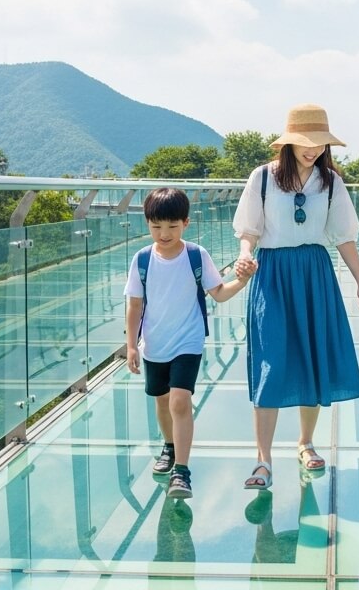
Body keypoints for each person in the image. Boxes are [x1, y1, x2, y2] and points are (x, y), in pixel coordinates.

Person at [232, 103, 359, 489]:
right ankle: (263, 460)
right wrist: (245, 255)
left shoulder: (331, 183)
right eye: (306, 143)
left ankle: (306, 443)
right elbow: (249, 230)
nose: (313, 150)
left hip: (314, 272)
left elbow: (344, 237)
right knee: (270, 362)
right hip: (272, 273)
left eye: (320, 144)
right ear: (290, 142)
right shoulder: (262, 178)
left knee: (312, 359)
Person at [125, 187, 251, 499]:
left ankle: (181, 471)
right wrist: (130, 345)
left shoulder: (196, 256)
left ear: (186, 223)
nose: (163, 233)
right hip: (154, 343)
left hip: (188, 341)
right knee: (162, 401)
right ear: (147, 224)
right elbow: (135, 306)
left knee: (179, 401)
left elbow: (218, 293)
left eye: (171, 226)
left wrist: (243, 280)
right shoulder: (141, 260)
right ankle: (169, 446)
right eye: (156, 226)